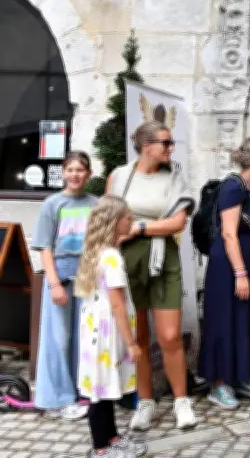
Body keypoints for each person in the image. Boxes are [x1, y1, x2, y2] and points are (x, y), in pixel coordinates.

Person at [106, 121, 197, 430]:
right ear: (147, 146)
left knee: (170, 335)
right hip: (126, 259)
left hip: (163, 257)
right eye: (166, 143)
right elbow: (107, 218)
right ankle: (145, 402)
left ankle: (181, 401)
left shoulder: (174, 178)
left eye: (171, 143)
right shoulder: (119, 176)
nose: (171, 148)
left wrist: (139, 227)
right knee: (139, 335)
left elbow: (177, 223)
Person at [199, 137, 250, 409]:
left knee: (246, 321)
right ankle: (218, 383)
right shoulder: (233, 187)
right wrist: (241, 273)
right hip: (229, 267)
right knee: (225, 321)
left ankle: (239, 376)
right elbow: (229, 234)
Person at [75, 195, 146, 458]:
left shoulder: (97, 252)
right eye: (128, 218)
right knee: (101, 394)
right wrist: (131, 342)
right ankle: (101, 449)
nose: (132, 222)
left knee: (104, 389)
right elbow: (117, 305)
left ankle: (112, 437)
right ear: (116, 222)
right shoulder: (112, 259)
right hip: (108, 333)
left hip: (94, 331)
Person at [30, 151, 98, 420]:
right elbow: (45, 246)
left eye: (80, 170)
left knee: (83, 337)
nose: (75, 175)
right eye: (70, 170)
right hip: (60, 273)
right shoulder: (52, 204)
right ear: (63, 172)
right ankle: (56, 398)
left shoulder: (96, 203)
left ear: (88, 174)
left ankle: (80, 390)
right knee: (58, 337)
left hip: (87, 275)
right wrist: (55, 283)